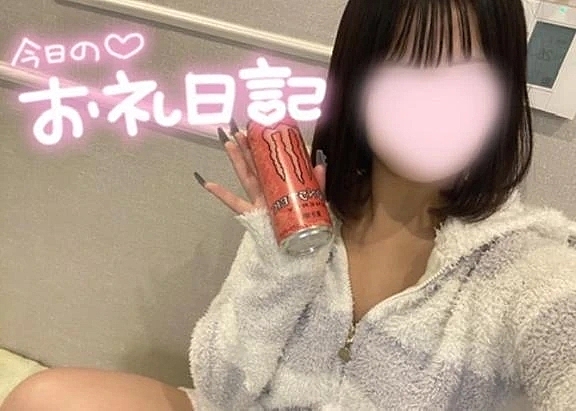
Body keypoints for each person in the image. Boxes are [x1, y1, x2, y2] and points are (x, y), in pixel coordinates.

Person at [2, 0, 575, 410]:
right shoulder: (309, 208)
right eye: (405, 65)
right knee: (42, 397)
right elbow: (224, 388)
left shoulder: (523, 267)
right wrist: (283, 260)